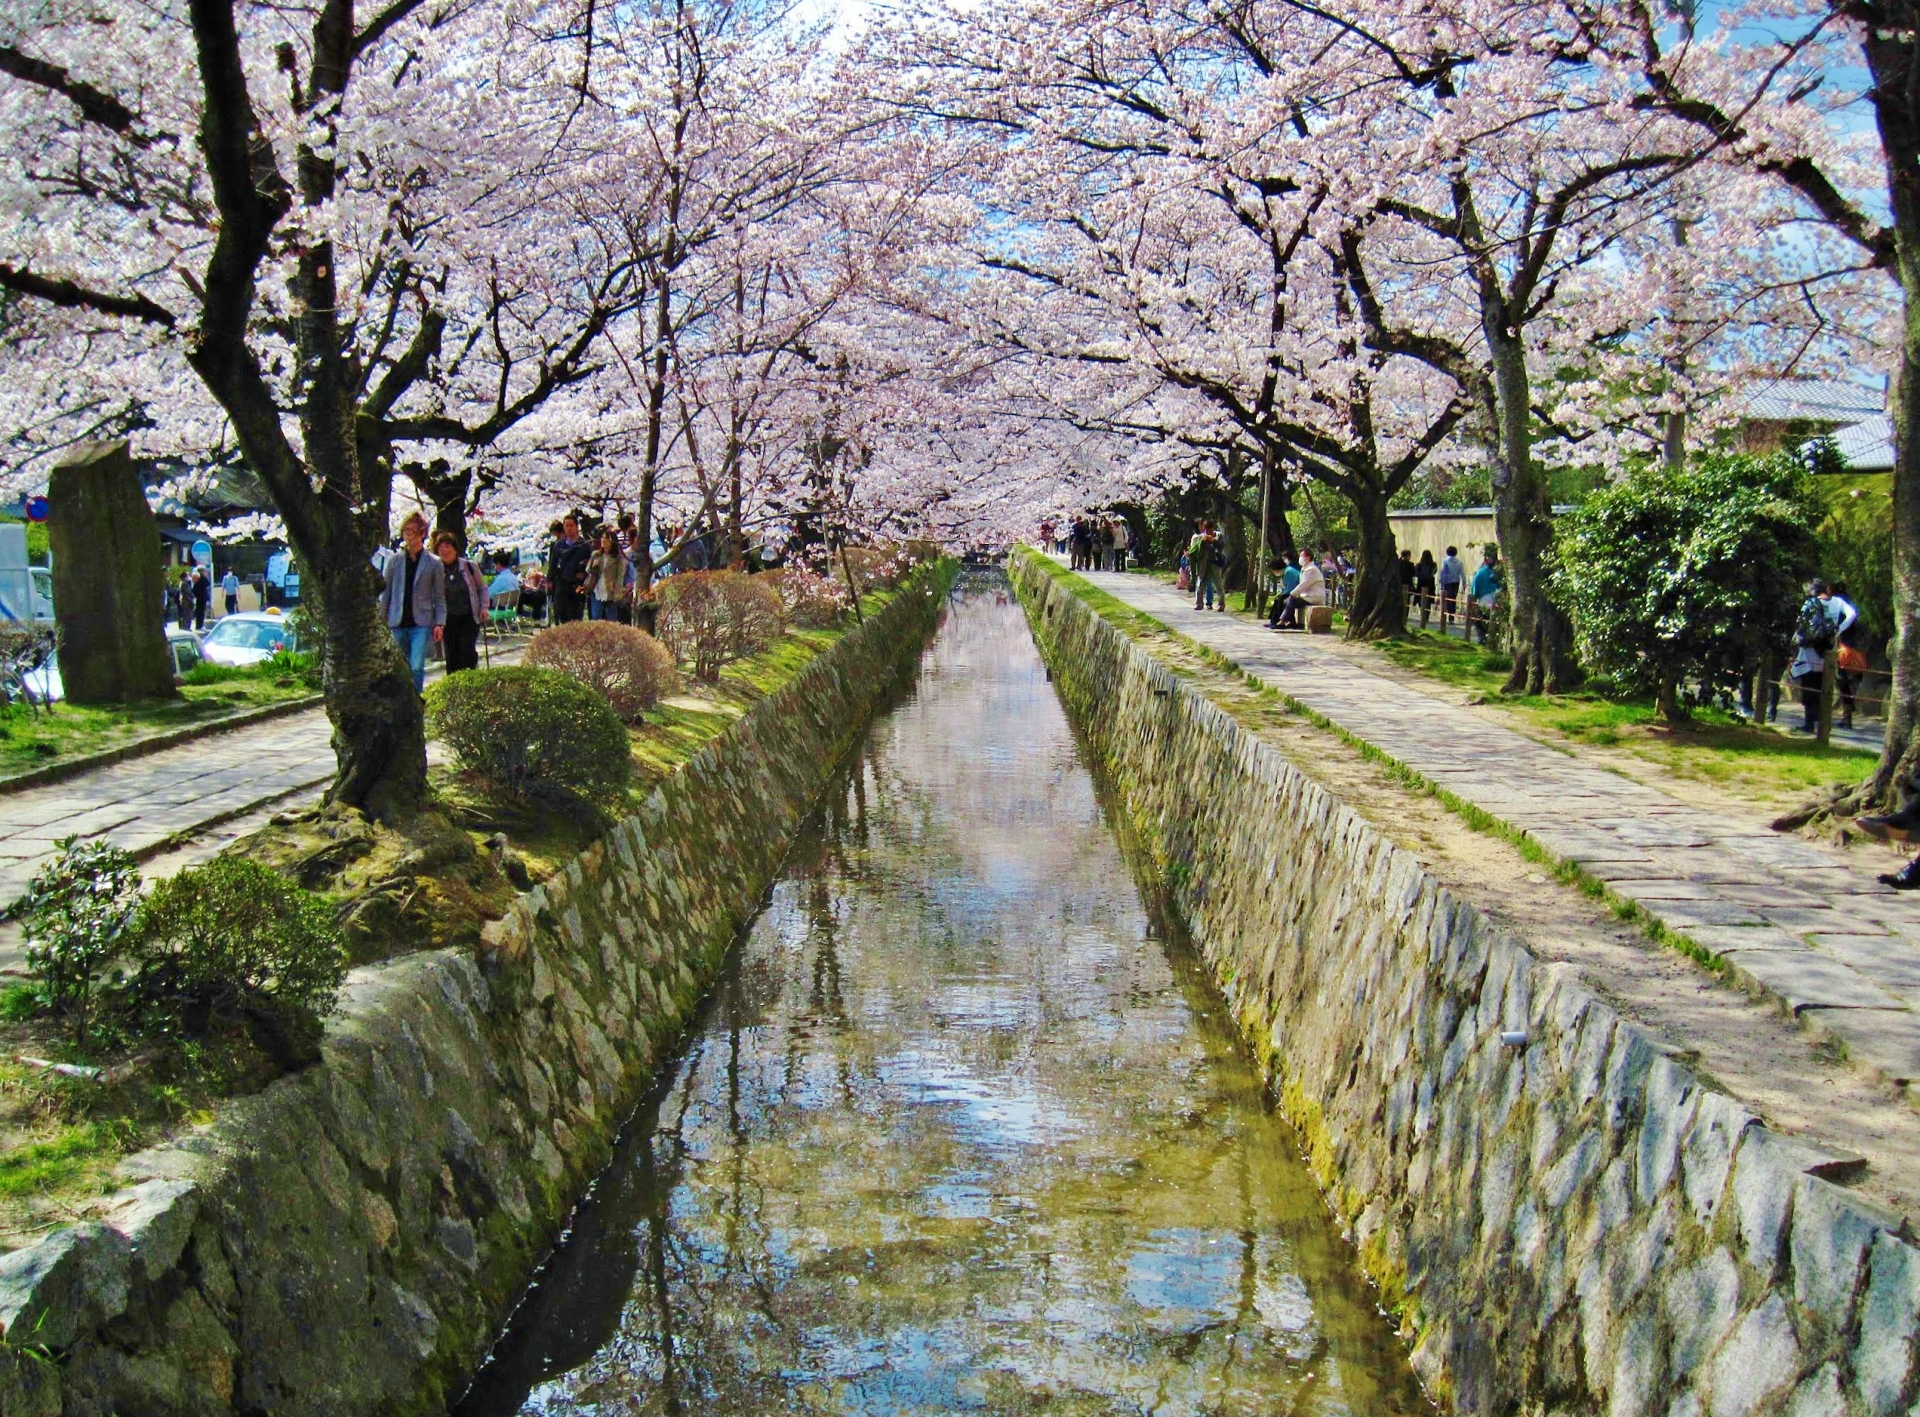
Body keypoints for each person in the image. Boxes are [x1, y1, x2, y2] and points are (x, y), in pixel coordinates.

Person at [379, 512, 446, 693]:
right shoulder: (394, 561)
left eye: (414, 531)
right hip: (397, 621)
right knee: (398, 666)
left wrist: (439, 623)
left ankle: (416, 699)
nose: (409, 535)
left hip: (421, 622)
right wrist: (381, 619)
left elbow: (440, 597)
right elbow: (386, 593)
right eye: (406, 531)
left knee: (416, 665)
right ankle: (401, 700)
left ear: (423, 533)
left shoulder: (434, 563)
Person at [1788, 578, 1846, 734]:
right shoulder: (1835, 603)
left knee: (1809, 689)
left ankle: (1809, 725)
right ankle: (1822, 724)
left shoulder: (1810, 604)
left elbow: (1801, 625)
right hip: (1827, 652)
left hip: (1810, 651)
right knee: (1822, 689)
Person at [433, 532, 488, 674]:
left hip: (469, 616)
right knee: (451, 654)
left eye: (447, 546)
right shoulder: (436, 570)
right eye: (440, 547)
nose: (444, 550)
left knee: (466, 649)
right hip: (448, 618)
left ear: (455, 549)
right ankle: (453, 685)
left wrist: (484, 607)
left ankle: (470, 678)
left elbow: (482, 588)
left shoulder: (469, 566)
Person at [1829, 581, 1864, 730]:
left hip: (1842, 647)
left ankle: (1847, 715)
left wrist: (1837, 631)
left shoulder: (1838, 604)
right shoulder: (1849, 602)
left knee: (1842, 681)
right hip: (1850, 646)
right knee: (1845, 683)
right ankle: (1847, 713)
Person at [546, 514, 591, 624]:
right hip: (562, 581)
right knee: (561, 609)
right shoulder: (558, 545)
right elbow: (553, 563)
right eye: (567, 526)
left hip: (578, 583)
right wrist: (549, 580)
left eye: (571, 525)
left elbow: (590, 563)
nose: (569, 528)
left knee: (576, 611)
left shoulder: (584, 545)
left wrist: (583, 573)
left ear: (576, 527)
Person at [1269, 549, 1326, 629]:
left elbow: (1303, 585)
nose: (1300, 558)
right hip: (1307, 596)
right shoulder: (1305, 569)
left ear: (1308, 558)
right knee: (1287, 600)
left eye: (1301, 556)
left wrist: (1292, 593)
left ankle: (1282, 621)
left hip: (1314, 597)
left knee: (1291, 599)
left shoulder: (1311, 570)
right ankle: (1290, 622)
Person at [586, 528, 630, 621]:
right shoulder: (596, 554)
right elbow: (588, 570)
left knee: (611, 619)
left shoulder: (618, 558)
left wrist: (617, 592)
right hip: (596, 589)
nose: (603, 540)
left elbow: (620, 576)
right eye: (602, 538)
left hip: (611, 591)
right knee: (596, 618)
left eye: (607, 538)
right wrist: (593, 566)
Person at [1469, 548, 1502, 644]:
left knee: (1480, 623)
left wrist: (1473, 603)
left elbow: (1474, 590)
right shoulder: (1500, 572)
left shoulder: (1480, 573)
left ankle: (1482, 640)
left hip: (1484, 601)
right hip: (1498, 602)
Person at [1189, 521, 1224, 611]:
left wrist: (1213, 541)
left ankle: (1221, 604)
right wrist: (1202, 541)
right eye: (1207, 530)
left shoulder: (1218, 536)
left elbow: (1222, 546)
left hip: (1215, 563)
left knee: (1218, 583)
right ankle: (1199, 603)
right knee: (1200, 583)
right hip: (1203, 563)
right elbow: (1195, 551)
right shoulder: (1201, 537)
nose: (1209, 532)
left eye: (1210, 529)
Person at [1437, 545, 1465, 633]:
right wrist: (1464, 585)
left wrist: (1441, 583)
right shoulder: (1460, 562)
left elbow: (1443, 572)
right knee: (1453, 599)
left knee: (1447, 599)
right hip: (1456, 582)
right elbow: (1462, 574)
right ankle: (1451, 617)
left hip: (1448, 583)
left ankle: (1448, 616)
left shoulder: (1445, 561)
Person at [1414, 550, 1437, 631]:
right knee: (1429, 599)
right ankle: (1426, 616)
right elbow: (1433, 572)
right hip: (1430, 583)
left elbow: (1416, 574)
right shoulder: (1433, 564)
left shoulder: (1418, 565)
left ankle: (1422, 614)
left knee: (1421, 598)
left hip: (1421, 583)